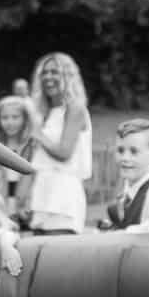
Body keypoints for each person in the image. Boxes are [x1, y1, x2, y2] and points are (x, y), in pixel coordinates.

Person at [24, 52, 92, 235]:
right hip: (42, 190)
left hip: (63, 194)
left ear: (67, 76)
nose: (48, 77)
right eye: (44, 73)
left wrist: (38, 135)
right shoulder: (46, 112)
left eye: (55, 72)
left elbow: (64, 152)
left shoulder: (75, 108)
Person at [97, 118, 149, 233]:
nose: (125, 158)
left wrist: (125, 233)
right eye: (120, 151)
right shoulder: (123, 194)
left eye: (134, 152)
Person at [0, 96, 35, 223]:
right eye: (4, 118)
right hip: (1, 206)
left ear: (25, 119)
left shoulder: (32, 147)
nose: (10, 122)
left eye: (15, 117)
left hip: (27, 206)